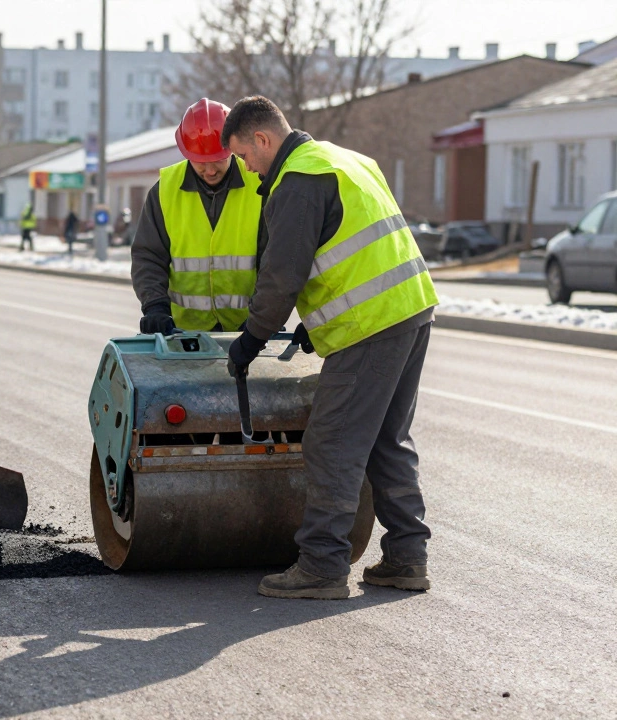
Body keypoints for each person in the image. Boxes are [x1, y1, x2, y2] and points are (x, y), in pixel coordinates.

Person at [220, 96, 438, 600]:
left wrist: (250, 340)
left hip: (371, 327)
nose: (247, 170)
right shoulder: (347, 160)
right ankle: (407, 558)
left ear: (262, 139)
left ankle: (321, 565)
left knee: (333, 442)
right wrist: (313, 328)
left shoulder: (297, 181)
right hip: (411, 309)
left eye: (245, 157)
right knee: (386, 438)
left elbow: (281, 278)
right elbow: (355, 250)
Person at [130, 98, 263, 335]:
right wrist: (155, 306)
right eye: (201, 162)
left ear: (233, 148)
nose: (210, 170)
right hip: (184, 335)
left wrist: (265, 316)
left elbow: (276, 260)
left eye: (218, 160)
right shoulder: (164, 191)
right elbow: (148, 256)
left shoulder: (260, 186)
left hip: (248, 332)